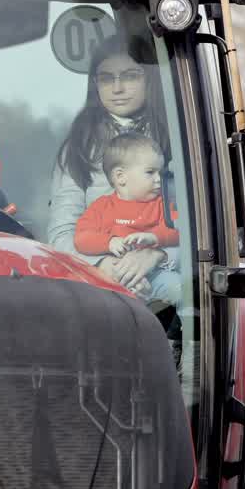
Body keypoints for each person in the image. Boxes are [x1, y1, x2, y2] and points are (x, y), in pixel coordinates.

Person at [48, 35, 176, 295]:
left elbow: (198, 227)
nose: (117, 88)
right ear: (95, 84)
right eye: (107, 78)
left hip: (168, 278)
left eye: (130, 76)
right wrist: (103, 265)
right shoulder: (78, 148)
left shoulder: (178, 139)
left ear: (148, 78)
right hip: (98, 285)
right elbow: (62, 232)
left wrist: (158, 255)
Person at [74, 133, 180, 304]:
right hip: (114, 277)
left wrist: (154, 236)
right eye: (150, 172)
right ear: (120, 177)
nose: (159, 179)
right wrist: (109, 241)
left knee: (181, 290)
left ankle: (184, 328)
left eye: (160, 173)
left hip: (156, 274)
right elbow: (81, 238)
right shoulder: (101, 207)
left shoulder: (163, 204)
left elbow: (178, 230)